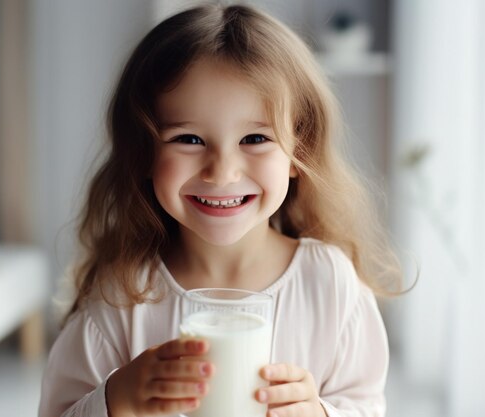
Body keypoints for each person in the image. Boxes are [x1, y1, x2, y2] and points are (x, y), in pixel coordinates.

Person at [39, 3, 402, 417]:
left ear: (298, 151)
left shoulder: (330, 284)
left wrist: (320, 412)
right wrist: (116, 399)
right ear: (142, 153)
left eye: (254, 138)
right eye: (189, 139)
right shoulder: (121, 295)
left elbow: (365, 406)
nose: (222, 172)